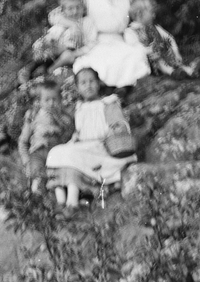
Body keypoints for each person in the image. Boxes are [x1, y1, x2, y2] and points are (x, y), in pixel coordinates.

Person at [46, 67, 137, 208]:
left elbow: (119, 124)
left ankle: (72, 202)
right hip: (84, 146)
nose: (88, 85)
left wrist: (116, 128)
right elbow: (80, 131)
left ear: (99, 83)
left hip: (101, 147)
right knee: (56, 152)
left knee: (72, 155)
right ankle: (61, 201)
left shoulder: (107, 103)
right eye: (83, 83)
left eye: (91, 81)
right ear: (77, 87)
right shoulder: (79, 108)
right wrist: (75, 137)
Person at [71, 0, 151, 90]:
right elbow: (55, 15)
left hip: (121, 40)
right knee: (99, 61)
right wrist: (73, 25)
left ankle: (125, 88)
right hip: (96, 42)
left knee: (134, 56)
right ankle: (107, 88)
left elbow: (139, 16)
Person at [17, 80, 72, 194]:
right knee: (37, 172)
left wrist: (60, 118)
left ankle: (58, 190)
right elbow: (23, 140)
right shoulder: (33, 116)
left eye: (54, 99)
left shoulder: (63, 116)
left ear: (60, 100)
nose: (51, 103)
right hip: (38, 152)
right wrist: (26, 160)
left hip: (56, 152)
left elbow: (70, 132)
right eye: (47, 100)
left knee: (58, 174)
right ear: (39, 101)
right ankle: (37, 190)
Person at [126, 0, 198, 78]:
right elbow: (135, 49)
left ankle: (188, 71)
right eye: (151, 12)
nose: (154, 15)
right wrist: (149, 52)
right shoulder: (130, 32)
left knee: (171, 59)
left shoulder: (155, 28)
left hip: (162, 56)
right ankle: (173, 72)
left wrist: (176, 52)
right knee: (159, 61)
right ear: (139, 14)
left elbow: (169, 38)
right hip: (146, 61)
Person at [21, 0, 86, 83]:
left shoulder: (85, 23)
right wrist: (48, 42)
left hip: (67, 53)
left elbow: (78, 45)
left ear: (83, 8)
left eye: (78, 8)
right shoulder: (61, 20)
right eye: (70, 9)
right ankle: (30, 70)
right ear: (63, 11)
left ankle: (45, 72)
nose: (75, 11)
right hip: (52, 49)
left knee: (64, 55)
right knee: (43, 47)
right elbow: (52, 22)